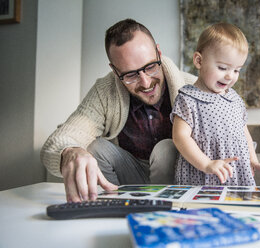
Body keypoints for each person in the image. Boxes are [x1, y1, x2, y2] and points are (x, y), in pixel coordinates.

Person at [40, 19, 196, 202]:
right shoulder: (105, 91)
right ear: (115, 71)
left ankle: (165, 207)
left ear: (159, 53)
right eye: (130, 74)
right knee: (94, 147)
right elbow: (57, 142)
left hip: (179, 185)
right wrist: (69, 152)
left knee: (165, 150)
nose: (146, 83)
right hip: (127, 182)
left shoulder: (193, 88)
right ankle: (113, 204)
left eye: (150, 66)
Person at [171, 23, 260, 186]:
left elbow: (244, 134)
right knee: (201, 210)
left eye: (236, 70)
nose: (230, 77)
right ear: (199, 61)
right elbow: (180, 137)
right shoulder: (188, 99)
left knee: (238, 208)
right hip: (202, 174)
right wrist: (206, 164)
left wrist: (253, 160)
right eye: (222, 68)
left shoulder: (235, 99)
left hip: (236, 173)